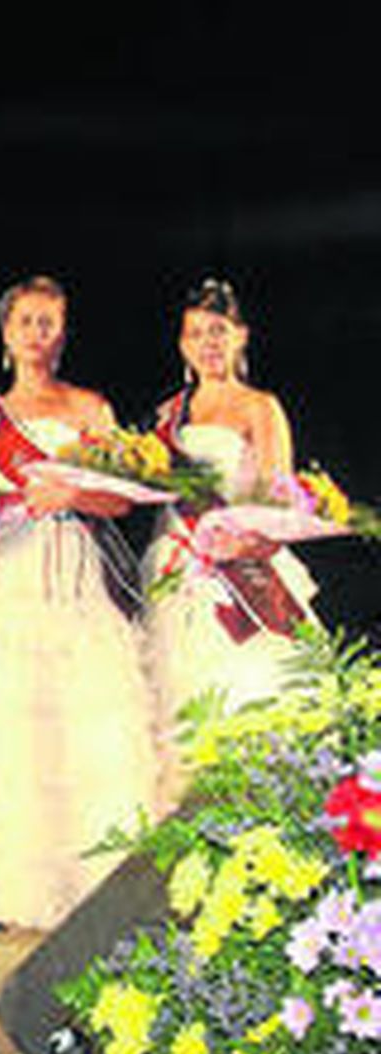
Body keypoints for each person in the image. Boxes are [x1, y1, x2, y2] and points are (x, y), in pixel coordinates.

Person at [0, 276, 158, 929]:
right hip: (9, 579)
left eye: (48, 322)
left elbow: (121, 499)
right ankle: (19, 889)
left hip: (78, 575)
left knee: (88, 723)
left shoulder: (91, 407)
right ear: (6, 332)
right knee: (12, 731)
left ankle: (96, 882)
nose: (36, 334)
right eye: (26, 322)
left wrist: (69, 496)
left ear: (61, 332)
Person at [145, 278, 316, 803]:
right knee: (183, 699)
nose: (207, 343)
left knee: (255, 697)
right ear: (181, 344)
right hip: (180, 566)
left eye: (218, 332)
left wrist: (243, 546)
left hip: (244, 571)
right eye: (195, 333)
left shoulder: (260, 407)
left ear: (241, 337)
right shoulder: (168, 415)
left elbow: (279, 498)